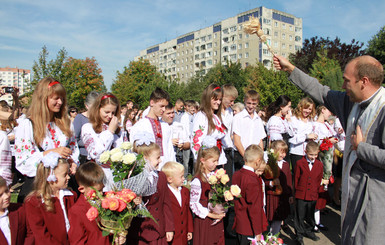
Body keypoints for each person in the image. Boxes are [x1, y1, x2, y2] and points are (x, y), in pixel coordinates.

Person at [275, 55, 385, 244]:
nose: (342, 86)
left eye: (347, 81)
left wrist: (362, 148)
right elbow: (320, 91)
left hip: (374, 204)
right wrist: (291, 69)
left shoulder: (382, 108)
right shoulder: (351, 102)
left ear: (364, 82)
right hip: (352, 198)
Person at [15, 78, 79, 203]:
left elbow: (73, 149)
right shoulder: (28, 125)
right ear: (43, 99)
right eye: (56, 98)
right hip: (39, 188)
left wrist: (73, 162)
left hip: (64, 186)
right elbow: (23, 162)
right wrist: (51, 153)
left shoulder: (66, 124)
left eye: (62, 98)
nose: (60, 102)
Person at [128, 132, 174, 244]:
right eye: (157, 158)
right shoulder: (133, 178)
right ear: (145, 159)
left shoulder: (161, 176)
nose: (160, 160)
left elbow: (166, 203)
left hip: (160, 230)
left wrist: (169, 227)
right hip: (142, 234)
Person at [68, 161, 126, 245]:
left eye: (102, 190)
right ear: (81, 189)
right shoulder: (77, 211)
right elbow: (77, 241)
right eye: (97, 191)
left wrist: (118, 236)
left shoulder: (107, 200)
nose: (101, 194)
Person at [25, 153, 77, 244]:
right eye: (64, 175)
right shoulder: (34, 202)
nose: (68, 177)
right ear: (50, 176)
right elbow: (41, 234)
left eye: (68, 174)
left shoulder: (71, 196)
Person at [81, 93, 123, 191]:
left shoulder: (119, 129)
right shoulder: (88, 128)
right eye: (107, 112)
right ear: (98, 109)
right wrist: (110, 132)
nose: (110, 116)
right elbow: (96, 153)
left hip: (118, 177)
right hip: (99, 178)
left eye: (113, 113)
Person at [190, 136, 226, 245]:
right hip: (205, 220)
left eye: (217, 161)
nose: (216, 164)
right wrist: (211, 215)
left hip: (217, 217)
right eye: (213, 161)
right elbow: (193, 203)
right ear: (203, 160)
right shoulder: (198, 180)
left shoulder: (216, 175)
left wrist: (222, 210)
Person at [130, 87, 175, 170]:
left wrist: (172, 168)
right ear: (152, 103)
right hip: (149, 170)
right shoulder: (140, 126)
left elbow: (170, 149)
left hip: (166, 169)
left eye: (165, 106)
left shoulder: (165, 126)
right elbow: (136, 152)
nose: (164, 109)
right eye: (161, 106)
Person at [232, 144, 267, 244]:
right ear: (258, 161)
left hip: (239, 221)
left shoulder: (236, 174)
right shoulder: (252, 180)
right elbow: (254, 208)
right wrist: (258, 231)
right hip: (249, 226)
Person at [293, 141, 324, 245]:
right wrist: (295, 193)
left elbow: (319, 179)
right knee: (299, 215)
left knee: (310, 215)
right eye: (311, 154)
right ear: (305, 152)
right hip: (301, 194)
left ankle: (309, 231)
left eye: (315, 155)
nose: (313, 157)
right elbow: (296, 178)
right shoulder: (299, 163)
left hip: (313, 194)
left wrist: (317, 191)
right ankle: (299, 234)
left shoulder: (319, 164)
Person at [191, 84, 227, 170]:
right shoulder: (201, 116)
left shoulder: (215, 117)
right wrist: (201, 162)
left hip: (218, 159)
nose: (218, 102)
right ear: (208, 98)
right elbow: (196, 141)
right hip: (208, 163)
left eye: (220, 100)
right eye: (215, 99)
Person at [232, 90, 266, 171]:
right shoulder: (238, 118)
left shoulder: (258, 120)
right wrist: (246, 158)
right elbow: (237, 141)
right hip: (242, 155)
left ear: (257, 103)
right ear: (244, 101)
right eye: (249, 103)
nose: (251, 106)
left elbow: (260, 140)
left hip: (255, 156)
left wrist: (261, 157)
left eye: (254, 104)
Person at [264, 140, 293, 235]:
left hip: (283, 197)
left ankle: (274, 238)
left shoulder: (285, 164)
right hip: (272, 196)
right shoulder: (268, 165)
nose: (283, 154)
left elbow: (289, 181)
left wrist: (290, 195)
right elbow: (263, 181)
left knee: (278, 219)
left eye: (285, 152)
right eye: (281, 152)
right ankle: (267, 238)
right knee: (269, 219)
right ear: (273, 151)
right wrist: (271, 183)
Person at [161, 161, 193, 245]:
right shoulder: (165, 193)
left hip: (183, 233)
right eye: (181, 177)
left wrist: (189, 229)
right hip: (172, 233)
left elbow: (187, 211)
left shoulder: (185, 191)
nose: (183, 179)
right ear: (170, 179)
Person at [287, 97, 317, 172]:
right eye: (305, 108)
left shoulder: (311, 121)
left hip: (309, 153)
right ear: (300, 107)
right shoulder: (294, 119)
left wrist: (314, 137)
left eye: (310, 109)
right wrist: (306, 136)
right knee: (297, 174)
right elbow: (292, 138)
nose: (307, 111)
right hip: (297, 152)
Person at [73, 91, 100, 165]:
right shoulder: (80, 118)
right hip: (84, 157)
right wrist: (90, 142)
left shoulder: (101, 118)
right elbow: (75, 139)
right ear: (86, 106)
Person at [0, 176, 28, 245]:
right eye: (0, 195)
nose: (6, 196)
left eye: (7, 191)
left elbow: (30, 233)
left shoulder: (19, 209)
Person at [162, 103, 190, 168]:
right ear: (162, 113)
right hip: (163, 163)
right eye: (168, 113)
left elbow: (188, 144)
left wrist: (182, 145)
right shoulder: (159, 126)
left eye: (172, 113)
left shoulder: (179, 125)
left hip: (177, 161)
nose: (171, 115)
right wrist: (169, 142)